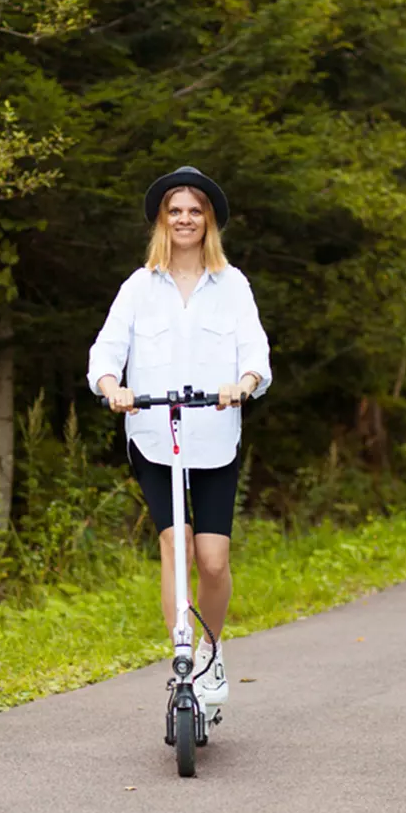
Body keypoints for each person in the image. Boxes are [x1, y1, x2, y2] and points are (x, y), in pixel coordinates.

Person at [86, 165, 272, 708]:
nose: (185, 219)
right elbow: (105, 350)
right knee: (176, 544)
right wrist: (111, 385)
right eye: (176, 211)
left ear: (207, 221)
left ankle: (212, 654)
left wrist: (244, 384)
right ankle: (183, 658)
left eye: (195, 211)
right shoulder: (139, 287)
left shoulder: (232, 284)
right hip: (154, 431)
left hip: (214, 433)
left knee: (212, 559)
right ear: (162, 222)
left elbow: (256, 353)